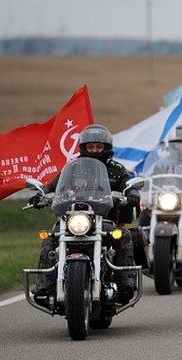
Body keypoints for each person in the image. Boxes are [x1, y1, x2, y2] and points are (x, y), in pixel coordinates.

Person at [29, 124, 140, 304]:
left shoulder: (117, 170)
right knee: (50, 238)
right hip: (73, 219)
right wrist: (41, 193)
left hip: (104, 220)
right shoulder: (72, 168)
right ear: (83, 147)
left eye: (99, 146)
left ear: (106, 148)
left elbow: (129, 184)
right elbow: (54, 185)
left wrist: (132, 193)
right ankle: (44, 285)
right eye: (91, 146)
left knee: (124, 236)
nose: (95, 150)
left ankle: (125, 283)